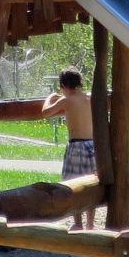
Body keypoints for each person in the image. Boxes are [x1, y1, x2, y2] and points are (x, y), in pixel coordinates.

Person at [39, 68, 98, 228]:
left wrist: (51, 97)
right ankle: (91, 224)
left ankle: (78, 223)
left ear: (63, 85)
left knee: (74, 184)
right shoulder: (88, 98)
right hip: (93, 145)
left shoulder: (66, 100)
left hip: (77, 146)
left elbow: (45, 112)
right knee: (92, 185)